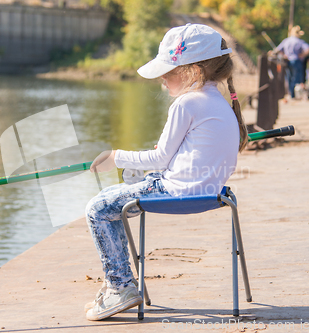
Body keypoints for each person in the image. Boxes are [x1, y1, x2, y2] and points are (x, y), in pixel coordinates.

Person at [84, 23, 248, 321]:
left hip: (176, 192)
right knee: (113, 196)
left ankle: (120, 287)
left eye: (168, 70)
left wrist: (116, 157)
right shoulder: (219, 102)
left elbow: (160, 157)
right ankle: (121, 285)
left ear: (193, 71)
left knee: (97, 208)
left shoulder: (186, 103)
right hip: (211, 194)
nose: (161, 77)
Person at [274, 25, 309, 98]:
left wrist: (283, 54)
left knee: (289, 78)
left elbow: (277, 50)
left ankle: (291, 94)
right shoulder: (299, 41)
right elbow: (308, 49)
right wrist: (303, 54)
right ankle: (294, 95)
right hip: (296, 61)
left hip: (288, 61)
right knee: (296, 78)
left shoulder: (286, 40)